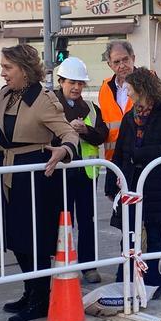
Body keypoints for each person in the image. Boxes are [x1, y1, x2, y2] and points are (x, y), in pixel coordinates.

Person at [0, 45, 78, 321]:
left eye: (7, 67)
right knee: (14, 237)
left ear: (23, 69)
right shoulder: (5, 95)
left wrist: (64, 150)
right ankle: (30, 290)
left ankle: (41, 299)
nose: (2, 73)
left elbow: (68, 132)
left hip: (31, 175)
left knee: (32, 239)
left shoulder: (44, 99)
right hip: (4, 169)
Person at [110, 68, 161, 296]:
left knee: (154, 233)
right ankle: (126, 277)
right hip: (130, 183)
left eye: (130, 87)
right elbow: (121, 151)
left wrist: (141, 154)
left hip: (158, 184)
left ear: (141, 88)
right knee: (129, 234)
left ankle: (154, 281)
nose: (127, 92)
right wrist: (112, 182)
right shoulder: (129, 117)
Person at [53, 56, 108, 285]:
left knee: (87, 220)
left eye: (80, 83)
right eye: (71, 82)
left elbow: (102, 135)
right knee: (62, 220)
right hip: (59, 173)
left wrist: (85, 130)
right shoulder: (50, 105)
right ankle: (60, 264)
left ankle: (88, 265)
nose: (76, 87)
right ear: (61, 82)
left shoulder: (91, 109)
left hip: (85, 174)